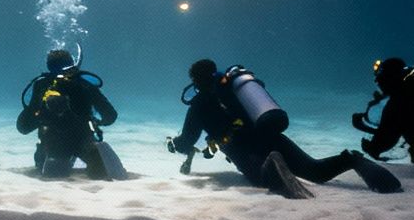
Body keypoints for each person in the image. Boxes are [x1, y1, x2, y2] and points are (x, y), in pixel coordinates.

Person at [170, 58, 401, 198]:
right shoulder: (233, 87)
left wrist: (173, 144)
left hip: (244, 150)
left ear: (196, 81)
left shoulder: (199, 105)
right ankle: (352, 159)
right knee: (316, 171)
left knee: (262, 177)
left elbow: (187, 141)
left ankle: (272, 161)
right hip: (271, 135)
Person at [16, 48, 122, 179]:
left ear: (49, 67)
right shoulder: (84, 83)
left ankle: (47, 159)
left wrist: (41, 114)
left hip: (53, 143)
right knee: (99, 165)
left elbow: (23, 127)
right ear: (72, 63)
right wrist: (95, 121)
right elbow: (110, 115)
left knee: (52, 172)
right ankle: (96, 153)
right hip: (83, 140)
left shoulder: (43, 85)